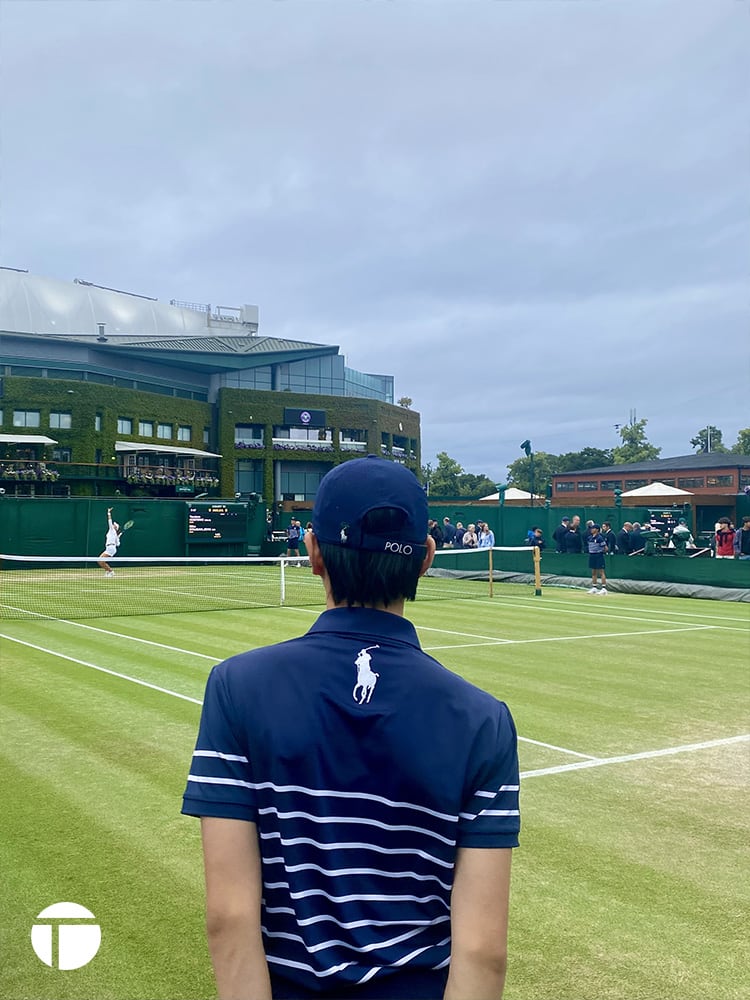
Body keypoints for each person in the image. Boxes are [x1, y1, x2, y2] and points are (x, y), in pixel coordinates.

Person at [182, 456, 520, 999]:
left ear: (312, 552)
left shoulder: (236, 686)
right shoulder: (485, 718)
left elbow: (229, 915)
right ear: (428, 559)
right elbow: (483, 951)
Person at [97, 507, 122, 577]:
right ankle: (108, 571)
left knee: (100, 561)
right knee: (100, 561)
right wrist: (118, 537)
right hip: (111, 548)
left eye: (114, 525)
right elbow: (118, 544)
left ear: (115, 527)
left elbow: (109, 521)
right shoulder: (114, 534)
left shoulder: (112, 530)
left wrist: (108, 513)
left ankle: (111, 571)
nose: (113, 525)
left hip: (111, 548)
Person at [586, 523, 608, 594]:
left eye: (593, 528)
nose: (591, 529)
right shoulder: (589, 538)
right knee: (593, 572)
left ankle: (604, 588)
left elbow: (605, 548)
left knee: (601, 572)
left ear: (597, 530)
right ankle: (594, 587)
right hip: (592, 556)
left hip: (599, 556)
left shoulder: (600, 538)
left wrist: (600, 551)